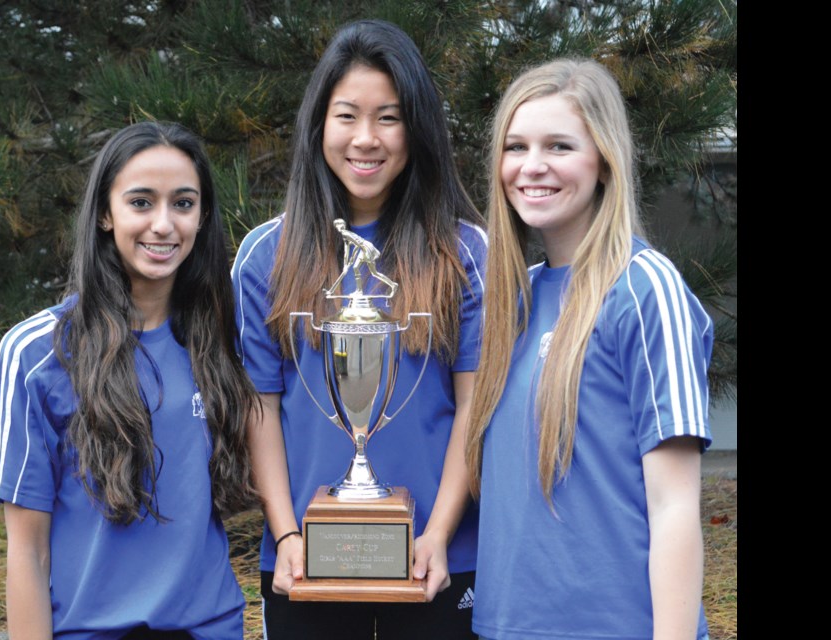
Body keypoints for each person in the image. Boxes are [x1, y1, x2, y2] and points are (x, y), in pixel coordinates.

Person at [231, 19, 487, 640]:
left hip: (439, 560)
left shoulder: (465, 252)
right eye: (347, 116)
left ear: (417, 127)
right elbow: (260, 409)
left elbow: (474, 413)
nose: (366, 139)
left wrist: (439, 532)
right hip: (304, 563)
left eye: (389, 118)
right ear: (319, 124)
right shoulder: (267, 255)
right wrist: (288, 531)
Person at [0, 121, 258, 640]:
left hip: (211, 627)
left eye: (183, 203)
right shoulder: (35, 354)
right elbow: (28, 552)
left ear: (202, 216)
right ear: (106, 213)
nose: (164, 224)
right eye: (141, 202)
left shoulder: (225, 340)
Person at [465, 58, 713, 640]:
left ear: (603, 160)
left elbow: (675, 506)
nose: (532, 167)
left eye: (559, 146)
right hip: (506, 627)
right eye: (516, 146)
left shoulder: (645, 288)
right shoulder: (512, 300)